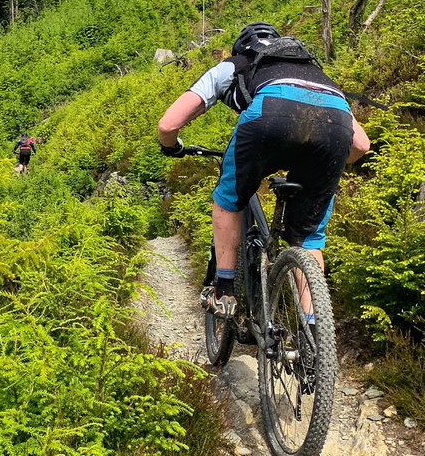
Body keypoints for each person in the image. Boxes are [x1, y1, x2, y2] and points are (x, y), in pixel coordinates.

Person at [157, 23, 371, 317]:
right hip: (333, 124)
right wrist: (320, 161)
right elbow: (361, 145)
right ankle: (314, 334)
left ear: (242, 48)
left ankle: (224, 291)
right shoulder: (318, 75)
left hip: (268, 118)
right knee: (308, 240)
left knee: (229, 200)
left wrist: (170, 146)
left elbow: (168, 124)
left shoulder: (233, 65)